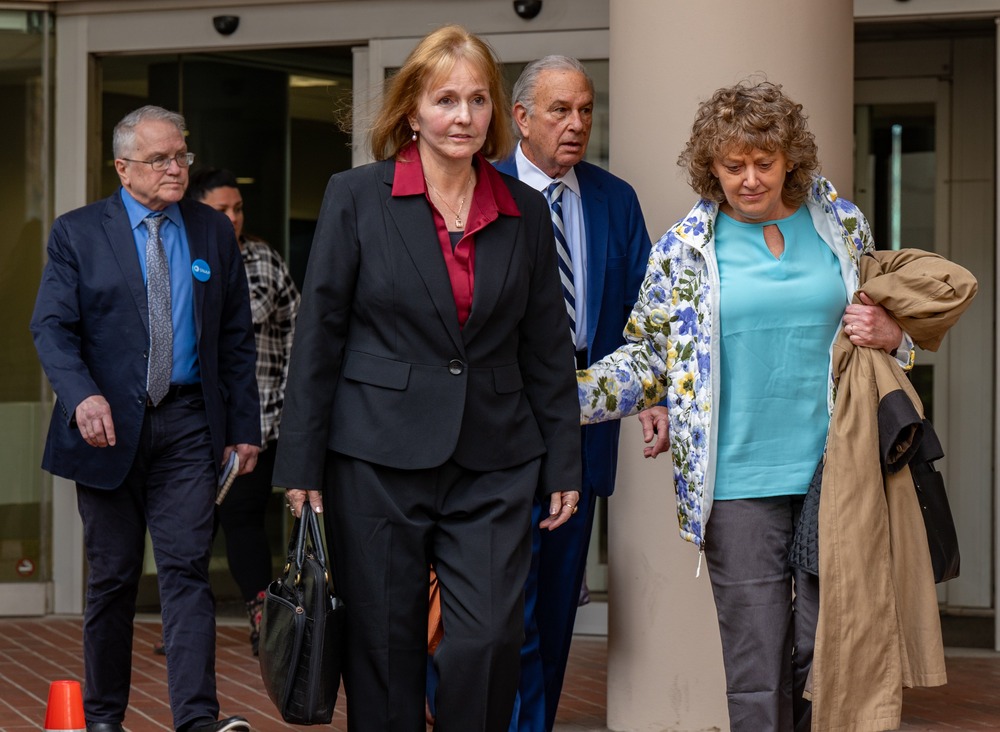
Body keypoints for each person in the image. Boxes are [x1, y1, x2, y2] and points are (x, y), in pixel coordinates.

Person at [272, 24, 582, 732]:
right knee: (385, 649)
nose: (464, 117)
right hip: (375, 456)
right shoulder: (356, 197)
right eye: (446, 100)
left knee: (489, 639)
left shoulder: (524, 211)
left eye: (478, 100)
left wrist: (564, 458)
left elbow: (546, 348)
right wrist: (301, 462)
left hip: (496, 460)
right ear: (412, 110)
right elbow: (319, 336)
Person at [577, 81, 913, 731]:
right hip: (735, 483)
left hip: (837, 471)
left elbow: (886, 332)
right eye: (733, 166)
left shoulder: (840, 226)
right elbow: (650, 356)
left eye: (764, 163)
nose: (750, 179)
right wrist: (565, 396)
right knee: (756, 664)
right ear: (711, 167)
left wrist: (897, 338)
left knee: (829, 653)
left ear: (791, 158)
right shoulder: (684, 250)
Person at [30, 105, 261, 732]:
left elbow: (236, 338)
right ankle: (103, 716)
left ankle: (197, 720)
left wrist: (244, 428)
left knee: (187, 569)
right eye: (159, 159)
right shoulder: (78, 233)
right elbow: (51, 327)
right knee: (113, 576)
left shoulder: (212, 231)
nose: (175, 168)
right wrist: (81, 396)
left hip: (189, 423)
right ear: (122, 167)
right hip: (105, 429)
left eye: (181, 155)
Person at [493, 55, 655, 732]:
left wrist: (655, 396)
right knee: (500, 606)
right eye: (560, 110)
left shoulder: (614, 199)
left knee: (557, 606)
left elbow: (648, 315)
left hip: (583, 424)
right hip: (494, 425)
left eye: (586, 109)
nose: (577, 124)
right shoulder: (484, 189)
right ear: (521, 118)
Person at [186, 168, 300, 656]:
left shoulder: (259, 261)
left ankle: (262, 620)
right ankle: (186, 624)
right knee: (191, 525)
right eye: (220, 210)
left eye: (237, 209)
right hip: (196, 421)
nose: (232, 218)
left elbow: (281, 328)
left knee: (242, 518)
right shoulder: (183, 256)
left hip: (259, 419)